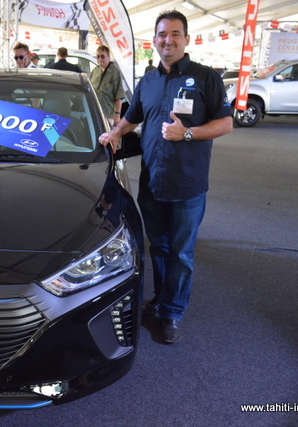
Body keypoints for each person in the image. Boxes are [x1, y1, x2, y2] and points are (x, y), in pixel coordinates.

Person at [98, 10, 233, 344]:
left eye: (175, 34)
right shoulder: (148, 81)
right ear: (154, 40)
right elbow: (132, 117)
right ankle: (160, 300)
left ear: (186, 39)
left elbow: (226, 123)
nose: (167, 40)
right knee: (158, 246)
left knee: (181, 253)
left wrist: (186, 133)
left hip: (188, 185)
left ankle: (172, 311)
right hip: (152, 182)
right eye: (162, 34)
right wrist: (115, 132)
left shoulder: (206, 78)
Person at [89, 45, 124, 125]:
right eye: (98, 56)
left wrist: (117, 115)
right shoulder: (95, 70)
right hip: (94, 112)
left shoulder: (115, 71)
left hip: (108, 115)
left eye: (102, 56)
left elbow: (119, 95)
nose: (100, 59)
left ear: (108, 57)